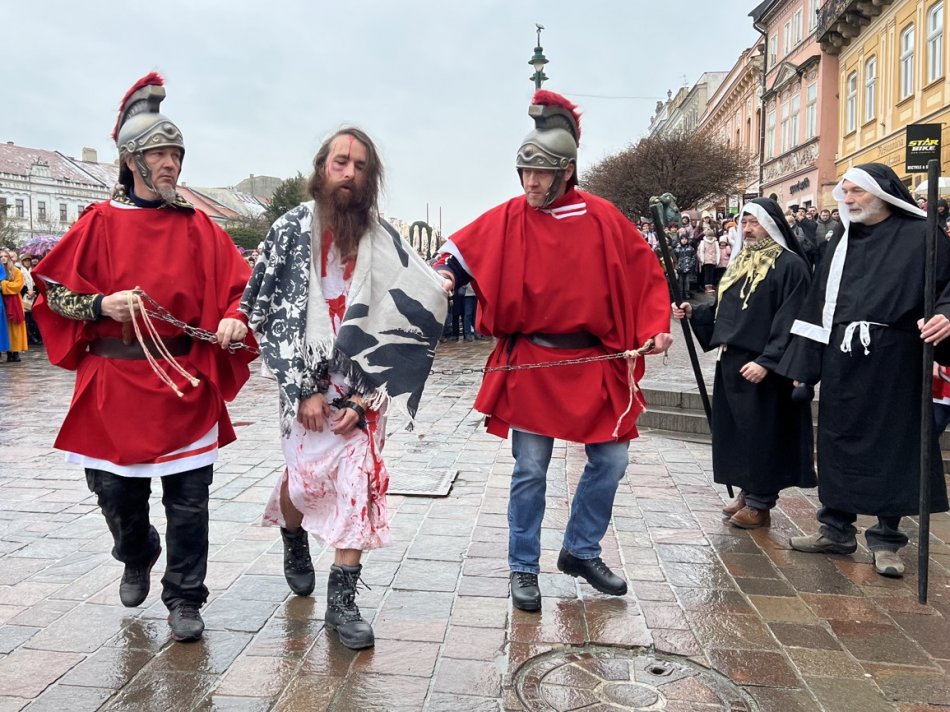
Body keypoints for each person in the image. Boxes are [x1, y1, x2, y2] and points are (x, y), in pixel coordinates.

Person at [31, 73, 255, 642]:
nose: (172, 163)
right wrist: (100, 303)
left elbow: (242, 288)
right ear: (132, 160)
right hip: (114, 382)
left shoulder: (200, 226)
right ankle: (137, 551)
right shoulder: (99, 223)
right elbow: (52, 293)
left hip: (182, 379)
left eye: (177, 154)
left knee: (189, 500)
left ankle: (185, 597)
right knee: (115, 493)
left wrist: (236, 316)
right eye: (160, 154)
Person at [433, 91, 672, 612]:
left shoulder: (603, 217)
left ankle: (581, 550)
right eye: (524, 172)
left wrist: (656, 325)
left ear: (566, 171)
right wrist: (446, 277)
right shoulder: (510, 216)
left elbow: (646, 275)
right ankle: (523, 566)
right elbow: (458, 254)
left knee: (612, 458)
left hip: (593, 361)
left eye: (540, 173)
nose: (530, 183)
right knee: (530, 469)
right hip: (534, 364)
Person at [240, 127, 446, 649]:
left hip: (363, 386)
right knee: (305, 483)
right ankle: (292, 535)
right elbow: (264, 308)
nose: (349, 172)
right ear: (322, 168)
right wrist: (302, 390)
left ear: (370, 176)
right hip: (302, 382)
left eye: (359, 165)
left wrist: (366, 395)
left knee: (360, 481)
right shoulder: (290, 230)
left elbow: (407, 314)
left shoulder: (384, 238)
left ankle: (343, 602)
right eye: (340, 162)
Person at [779, 163, 950, 578]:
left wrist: (946, 315)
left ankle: (887, 539)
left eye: (857, 191)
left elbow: (948, 286)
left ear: (883, 192)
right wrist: (805, 363)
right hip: (843, 357)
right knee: (838, 440)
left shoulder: (923, 234)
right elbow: (820, 300)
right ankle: (835, 528)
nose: (848, 199)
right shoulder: (843, 237)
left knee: (895, 444)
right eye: (845, 192)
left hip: (897, 356)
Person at [673, 199, 815, 528]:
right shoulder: (741, 260)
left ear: (772, 225)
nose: (748, 229)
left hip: (765, 367)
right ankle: (746, 489)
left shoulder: (791, 266)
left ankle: (761, 501)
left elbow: (792, 318)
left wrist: (768, 361)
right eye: (745, 223)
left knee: (762, 433)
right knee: (737, 431)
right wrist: (696, 313)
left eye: (754, 222)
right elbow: (726, 307)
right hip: (732, 359)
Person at [1, 250, 27, 362]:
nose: (3, 258)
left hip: (14, 302)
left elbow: (18, 286)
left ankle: (15, 352)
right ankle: (6, 351)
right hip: (2, 302)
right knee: (4, 327)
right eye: (1, 256)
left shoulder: (16, 271)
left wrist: (3, 285)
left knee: (15, 326)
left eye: (5, 256)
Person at [18, 254, 42, 345]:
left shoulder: (33, 270)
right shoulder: (20, 271)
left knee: (33, 318)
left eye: (28, 260)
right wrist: (27, 292)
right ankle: (29, 337)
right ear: (22, 262)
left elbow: (37, 283)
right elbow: (20, 284)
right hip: (24, 297)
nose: (27, 262)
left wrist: (33, 292)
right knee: (26, 318)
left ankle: (34, 336)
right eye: (25, 261)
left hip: (34, 296)